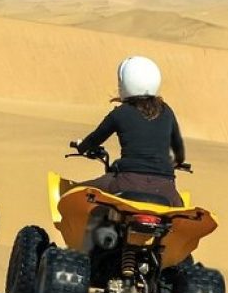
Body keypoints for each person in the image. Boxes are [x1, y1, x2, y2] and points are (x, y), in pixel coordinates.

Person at [74, 56, 185, 207]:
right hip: (166, 189)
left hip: (126, 183)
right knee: (179, 213)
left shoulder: (120, 113)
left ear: (125, 83)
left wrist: (82, 147)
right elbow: (179, 152)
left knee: (77, 192)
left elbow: (94, 140)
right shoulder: (167, 112)